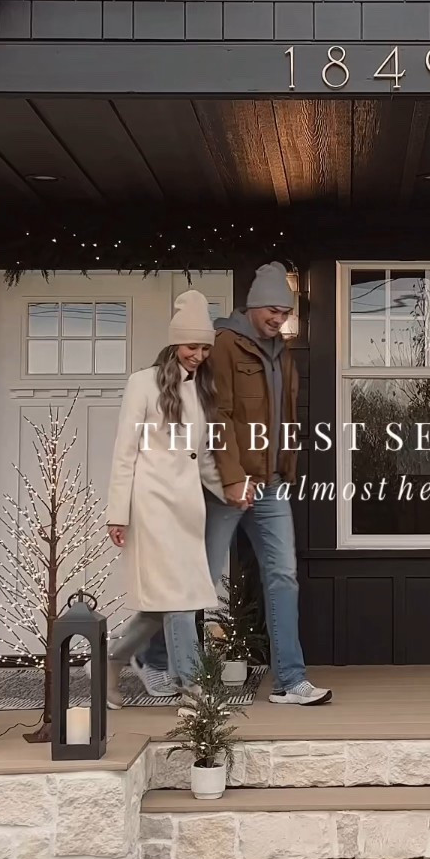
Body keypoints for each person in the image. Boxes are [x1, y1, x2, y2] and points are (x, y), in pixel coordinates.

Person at [140, 263, 332, 708]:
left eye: (285, 311)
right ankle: (169, 667)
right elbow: (216, 414)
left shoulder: (282, 352)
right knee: (197, 581)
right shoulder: (223, 345)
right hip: (224, 484)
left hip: (271, 484)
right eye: (272, 309)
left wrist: (286, 467)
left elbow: (285, 416)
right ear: (252, 305)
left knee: (283, 575)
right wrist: (230, 478)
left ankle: (290, 680)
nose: (279, 317)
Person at [105, 289, 223, 705]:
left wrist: (227, 492)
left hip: (187, 510)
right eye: (193, 346)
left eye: (205, 348)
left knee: (161, 606)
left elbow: (203, 456)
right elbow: (125, 452)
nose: (199, 355)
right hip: (151, 507)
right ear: (175, 344)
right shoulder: (142, 384)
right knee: (179, 600)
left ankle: (108, 662)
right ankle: (190, 684)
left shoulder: (200, 390)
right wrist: (116, 514)